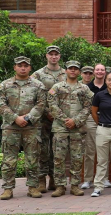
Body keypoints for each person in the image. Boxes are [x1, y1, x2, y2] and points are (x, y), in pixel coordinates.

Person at [0, 56, 46, 200]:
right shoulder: (4, 85)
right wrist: (15, 118)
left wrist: (27, 118)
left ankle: (33, 187)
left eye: (26, 65)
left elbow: (41, 104)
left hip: (31, 127)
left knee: (32, 158)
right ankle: (7, 189)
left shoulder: (38, 85)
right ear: (15, 67)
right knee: (9, 159)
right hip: (10, 127)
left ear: (30, 68)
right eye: (20, 65)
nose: (23, 68)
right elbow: (1, 104)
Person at [47, 60, 93, 197]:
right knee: (59, 158)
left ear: (79, 72)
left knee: (77, 158)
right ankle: (60, 186)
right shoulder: (57, 87)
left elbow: (88, 107)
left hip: (77, 129)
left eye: (75, 69)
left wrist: (76, 121)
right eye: (70, 68)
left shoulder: (84, 89)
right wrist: (65, 120)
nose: (73, 71)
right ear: (66, 70)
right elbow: (52, 105)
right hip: (60, 128)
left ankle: (74, 185)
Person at [32, 45, 66, 193]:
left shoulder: (66, 73)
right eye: (51, 54)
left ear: (59, 56)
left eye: (56, 54)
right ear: (46, 56)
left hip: (60, 119)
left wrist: (59, 114)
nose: (53, 57)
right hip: (43, 119)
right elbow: (33, 96)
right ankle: (41, 180)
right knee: (43, 150)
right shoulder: (38, 75)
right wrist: (47, 112)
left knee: (58, 150)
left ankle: (54, 179)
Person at [82, 63, 109, 189]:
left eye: (102, 70)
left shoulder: (109, 86)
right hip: (91, 119)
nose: (99, 72)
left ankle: (104, 179)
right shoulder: (87, 87)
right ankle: (88, 179)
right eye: (97, 70)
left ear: (105, 72)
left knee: (104, 150)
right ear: (94, 72)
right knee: (90, 150)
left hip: (106, 118)